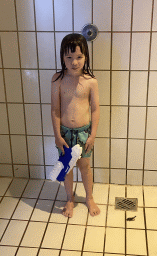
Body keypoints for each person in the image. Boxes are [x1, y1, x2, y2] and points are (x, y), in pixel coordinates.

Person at [51, 33, 100, 218]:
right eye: (69, 57)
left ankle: (89, 197)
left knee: (85, 166)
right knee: (67, 168)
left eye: (79, 57)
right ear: (62, 57)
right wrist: (57, 135)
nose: (74, 62)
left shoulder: (90, 81)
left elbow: (95, 109)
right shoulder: (57, 79)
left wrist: (92, 134)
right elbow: (55, 109)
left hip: (83, 132)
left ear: (85, 56)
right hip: (64, 132)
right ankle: (69, 199)